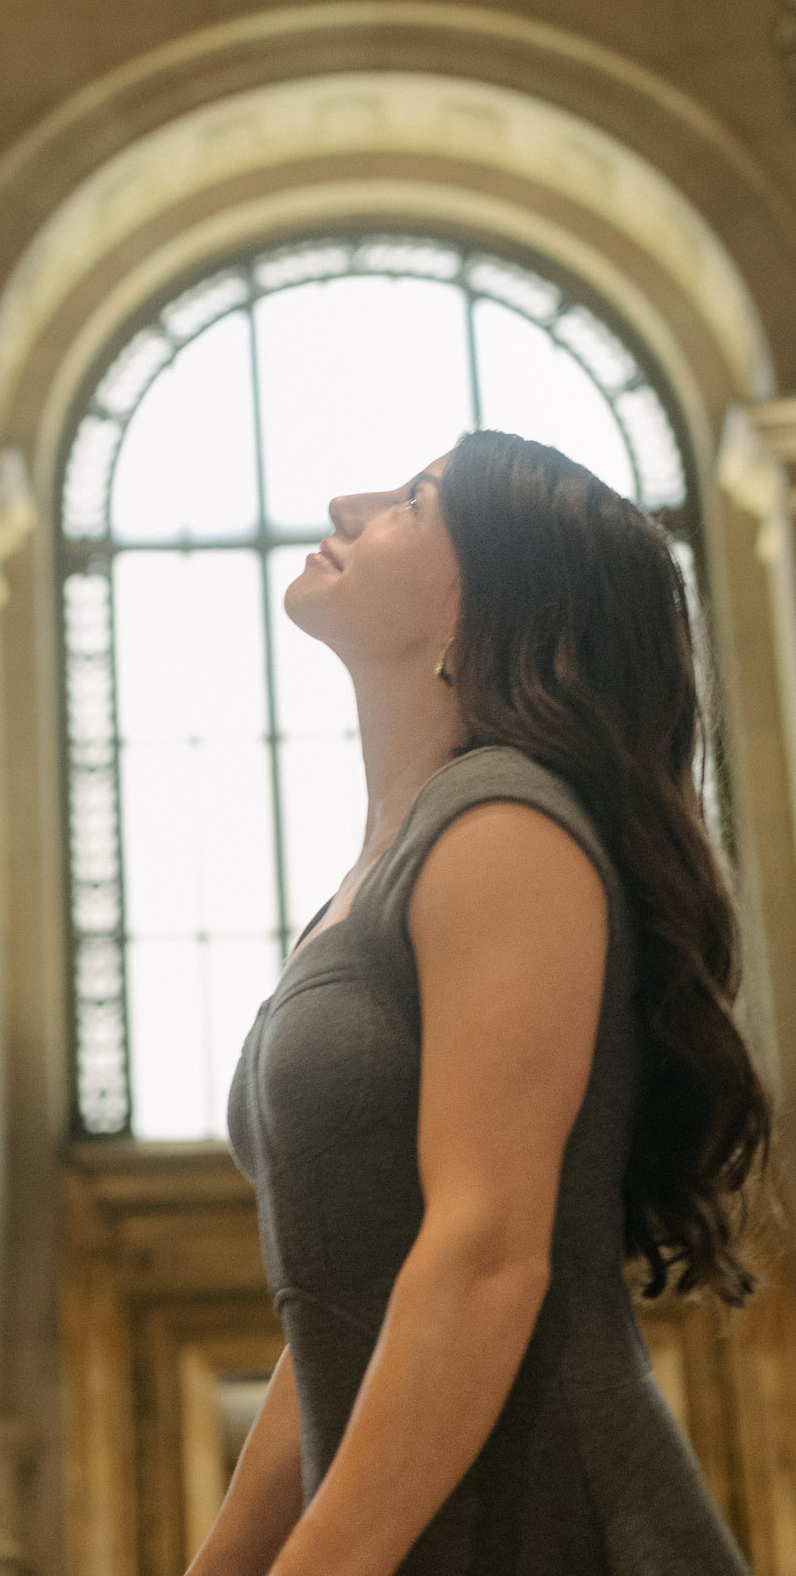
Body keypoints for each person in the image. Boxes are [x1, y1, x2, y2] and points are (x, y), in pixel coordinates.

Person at [199, 430, 770, 1576]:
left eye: (411, 500)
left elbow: (487, 1255)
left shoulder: (504, 829)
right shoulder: (395, 860)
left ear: (493, 601)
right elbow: (337, 1323)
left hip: (556, 1524)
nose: (348, 502)